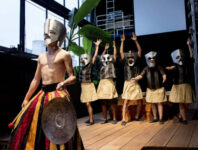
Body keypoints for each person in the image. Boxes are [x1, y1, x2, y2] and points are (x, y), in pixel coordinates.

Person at [8, 19, 84, 150]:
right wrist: (26, 98)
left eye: (50, 33)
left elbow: (73, 77)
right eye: (45, 34)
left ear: (58, 36)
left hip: (58, 93)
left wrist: (63, 82)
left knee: (59, 125)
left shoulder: (65, 55)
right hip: (42, 93)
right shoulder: (41, 57)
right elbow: (36, 80)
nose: (46, 36)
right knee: (30, 120)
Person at [132, 51, 167, 124]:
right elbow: (141, 75)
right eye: (150, 58)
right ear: (147, 59)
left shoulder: (158, 67)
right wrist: (135, 78)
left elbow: (163, 74)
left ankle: (160, 118)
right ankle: (155, 117)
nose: (152, 59)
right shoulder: (146, 68)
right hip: (150, 89)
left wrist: (164, 77)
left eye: (153, 58)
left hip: (159, 88)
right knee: (153, 103)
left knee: (159, 103)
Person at [166, 38, 195, 124]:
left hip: (186, 85)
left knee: (187, 103)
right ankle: (184, 119)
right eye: (178, 57)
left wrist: (189, 45)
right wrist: (169, 68)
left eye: (181, 56)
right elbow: (172, 67)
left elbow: (191, 55)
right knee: (181, 103)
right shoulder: (175, 65)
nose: (180, 58)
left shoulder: (186, 62)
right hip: (178, 86)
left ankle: (180, 115)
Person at [120, 33, 143, 126]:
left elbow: (140, 50)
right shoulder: (125, 62)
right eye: (128, 57)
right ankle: (123, 119)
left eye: (131, 57)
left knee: (139, 101)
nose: (130, 58)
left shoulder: (136, 61)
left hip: (135, 82)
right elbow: (121, 53)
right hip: (127, 82)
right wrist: (122, 42)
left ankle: (137, 116)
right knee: (125, 101)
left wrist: (136, 41)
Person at [79, 39, 102, 125]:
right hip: (83, 86)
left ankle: (92, 120)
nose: (83, 60)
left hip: (88, 85)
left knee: (88, 103)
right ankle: (90, 118)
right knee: (86, 104)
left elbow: (95, 56)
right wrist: (86, 52)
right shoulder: (82, 67)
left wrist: (97, 46)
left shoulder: (89, 66)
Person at [97, 41, 118, 124]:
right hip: (102, 82)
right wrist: (105, 50)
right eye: (104, 58)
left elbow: (115, 56)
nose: (106, 59)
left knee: (111, 101)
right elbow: (101, 57)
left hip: (109, 82)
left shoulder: (111, 63)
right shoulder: (101, 64)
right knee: (103, 102)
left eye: (108, 58)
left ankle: (114, 118)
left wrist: (114, 47)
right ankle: (105, 118)